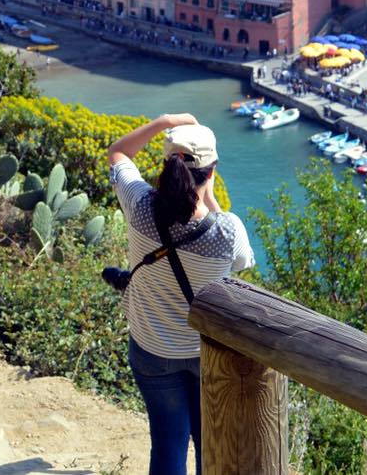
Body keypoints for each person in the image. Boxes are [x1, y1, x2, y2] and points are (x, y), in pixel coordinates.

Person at [105, 115, 254, 475]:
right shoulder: (227, 231)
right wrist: (212, 199)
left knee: (169, 444)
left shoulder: (139, 205)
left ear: (166, 166)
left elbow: (118, 153)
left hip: (152, 348)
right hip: (204, 352)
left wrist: (165, 121)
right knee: (209, 443)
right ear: (211, 170)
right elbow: (243, 264)